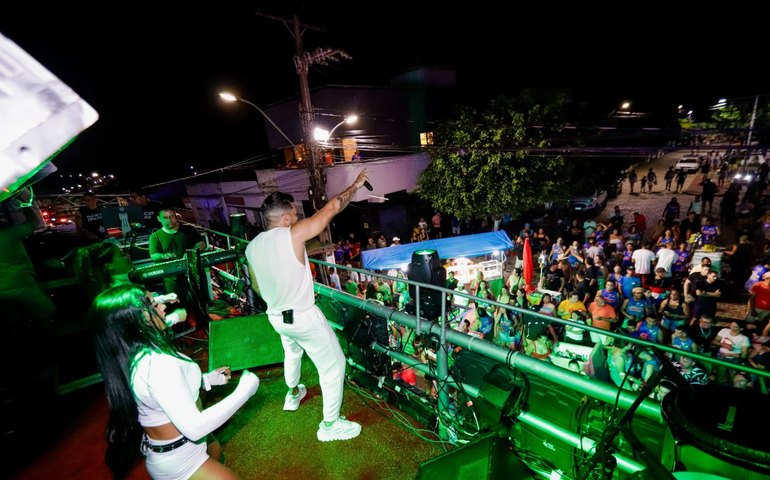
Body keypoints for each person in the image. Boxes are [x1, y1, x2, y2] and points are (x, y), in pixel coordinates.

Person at [245, 170, 368, 442]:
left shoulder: (252, 247)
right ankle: (330, 425)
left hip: (276, 316)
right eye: (295, 215)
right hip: (302, 317)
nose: (298, 219)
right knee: (334, 366)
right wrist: (355, 185)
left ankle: (292, 394)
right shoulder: (293, 233)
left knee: (292, 352)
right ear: (286, 217)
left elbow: (255, 286)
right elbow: (333, 206)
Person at [90, 284, 259, 479]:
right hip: (181, 459)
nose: (162, 307)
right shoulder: (157, 366)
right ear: (136, 322)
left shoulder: (133, 353)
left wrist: (207, 380)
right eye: (153, 305)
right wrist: (245, 389)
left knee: (214, 449)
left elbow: (166, 394)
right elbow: (195, 427)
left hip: (177, 448)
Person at [148, 208, 205, 310]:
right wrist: (164, 256)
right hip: (172, 278)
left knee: (200, 302)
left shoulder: (189, 229)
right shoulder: (155, 237)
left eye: (171, 217)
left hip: (194, 273)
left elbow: (201, 243)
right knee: (177, 305)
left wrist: (192, 252)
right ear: (159, 219)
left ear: (176, 216)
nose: (169, 220)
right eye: (165, 218)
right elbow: (154, 256)